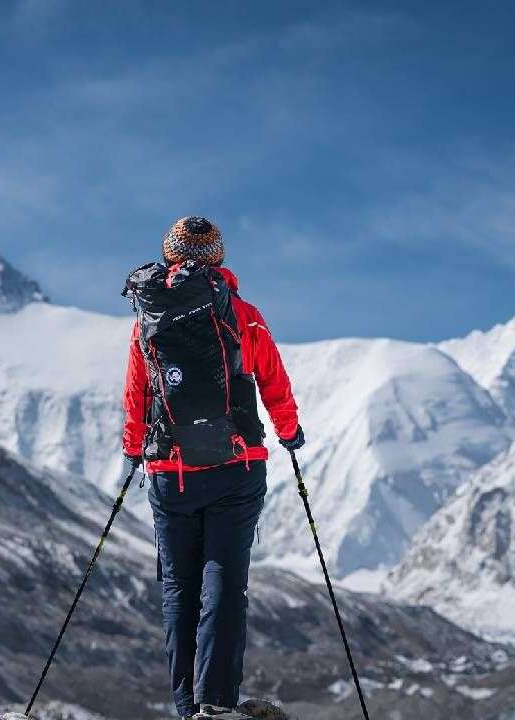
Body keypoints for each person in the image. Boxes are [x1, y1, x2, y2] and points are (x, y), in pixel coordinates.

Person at [121, 216, 303, 718]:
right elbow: (273, 380)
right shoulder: (244, 314)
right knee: (224, 582)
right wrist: (289, 431)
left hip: (169, 472)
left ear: (170, 255)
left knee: (179, 590)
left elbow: (137, 393)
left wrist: (134, 449)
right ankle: (216, 705)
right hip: (236, 467)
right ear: (218, 258)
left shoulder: (147, 320)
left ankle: (185, 707)